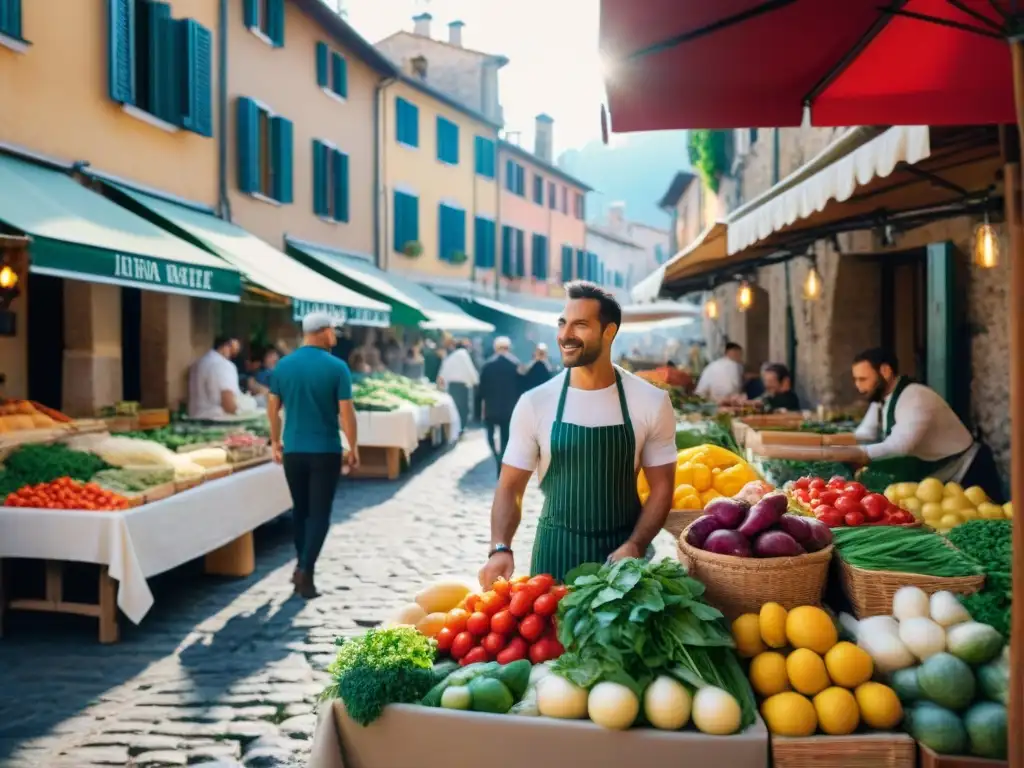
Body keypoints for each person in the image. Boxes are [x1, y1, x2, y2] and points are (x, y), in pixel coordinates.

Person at [478, 282, 678, 586]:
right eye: (563, 323)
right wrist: (500, 548)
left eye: (580, 325)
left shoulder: (650, 401)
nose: (565, 335)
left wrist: (636, 544)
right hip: (553, 558)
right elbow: (509, 487)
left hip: (624, 563)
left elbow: (662, 486)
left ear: (609, 332)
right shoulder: (535, 403)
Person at [268, 312, 360, 599]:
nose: (335, 336)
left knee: (301, 511)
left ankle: (301, 566)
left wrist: (275, 441)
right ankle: (306, 569)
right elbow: (347, 413)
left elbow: (273, 409)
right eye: (332, 330)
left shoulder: (283, 365)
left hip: (293, 450)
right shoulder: (337, 367)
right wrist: (353, 446)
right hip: (325, 450)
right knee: (319, 514)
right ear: (321, 332)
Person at [841, 348, 1003, 500]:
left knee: (985, 515)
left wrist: (849, 454)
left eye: (863, 379)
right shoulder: (881, 399)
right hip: (939, 478)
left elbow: (900, 446)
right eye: (856, 379)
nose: (858, 385)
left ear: (885, 371)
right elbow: (866, 434)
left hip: (967, 471)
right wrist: (830, 444)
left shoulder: (914, 396)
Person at [477, 337, 523, 474]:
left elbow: (481, 389)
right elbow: (521, 388)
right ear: (508, 348)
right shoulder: (515, 365)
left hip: (491, 407)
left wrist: (479, 410)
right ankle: (502, 457)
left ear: (495, 348)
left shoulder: (487, 365)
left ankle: (496, 455)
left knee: (490, 435)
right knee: (506, 437)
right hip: (510, 408)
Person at [188, 336, 249, 419]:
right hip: (219, 420)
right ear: (225, 346)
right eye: (233, 349)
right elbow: (228, 404)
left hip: (195, 419)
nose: (235, 353)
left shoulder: (198, 364)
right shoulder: (224, 365)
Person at [438, 339, 479, 429]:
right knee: (463, 408)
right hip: (462, 386)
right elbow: (470, 369)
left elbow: (444, 371)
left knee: (455, 407)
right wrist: (475, 381)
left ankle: (456, 428)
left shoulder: (452, 356)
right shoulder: (463, 354)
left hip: (452, 385)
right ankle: (461, 427)